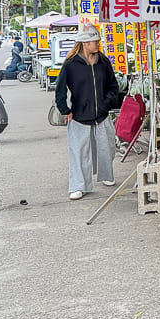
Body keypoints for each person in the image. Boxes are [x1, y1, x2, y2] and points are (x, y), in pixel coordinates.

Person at [55, 27, 120, 201]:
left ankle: (106, 175)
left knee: (107, 147)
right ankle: (78, 186)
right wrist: (64, 110)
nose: (98, 44)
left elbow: (113, 86)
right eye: (94, 41)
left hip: (102, 113)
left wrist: (107, 103)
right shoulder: (70, 64)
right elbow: (60, 89)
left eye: (98, 41)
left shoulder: (103, 62)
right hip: (79, 115)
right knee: (79, 152)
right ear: (84, 43)